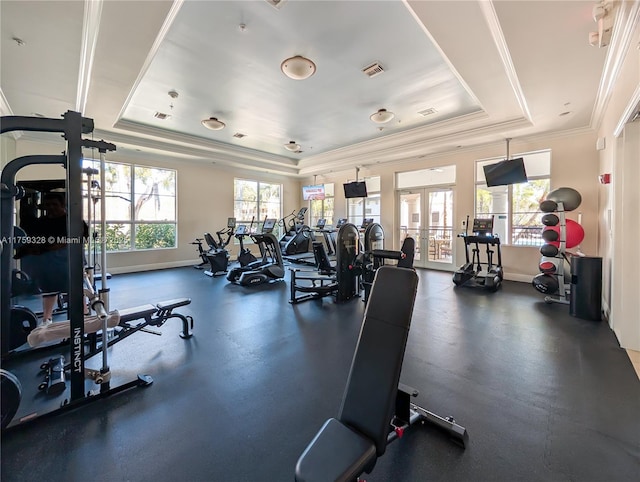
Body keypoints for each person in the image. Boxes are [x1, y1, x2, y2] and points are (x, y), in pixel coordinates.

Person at [18, 192, 86, 325]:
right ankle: (46, 319)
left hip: (69, 260)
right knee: (49, 291)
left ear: (62, 205)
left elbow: (73, 240)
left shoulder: (72, 220)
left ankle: (82, 319)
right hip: (49, 262)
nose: (51, 207)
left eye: (54, 204)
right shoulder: (42, 221)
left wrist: (47, 247)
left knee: (75, 290)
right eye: (48, 205)